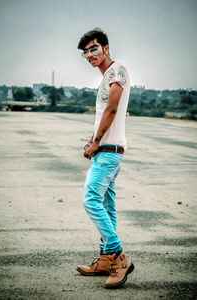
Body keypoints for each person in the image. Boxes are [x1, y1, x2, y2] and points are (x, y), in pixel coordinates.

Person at [76, 28, 134, 288]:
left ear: (106, 48)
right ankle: (104, 259)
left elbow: (111, 108)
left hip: (109, 150)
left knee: (90, 199)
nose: (90, 54)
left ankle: (118, 256)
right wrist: (92, 142)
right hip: (104, 150)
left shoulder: (117, 70)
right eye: (86, 51)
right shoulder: (104, 78)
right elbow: (103, 115)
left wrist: (97, 142)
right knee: (107, 207)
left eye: (94, 49)